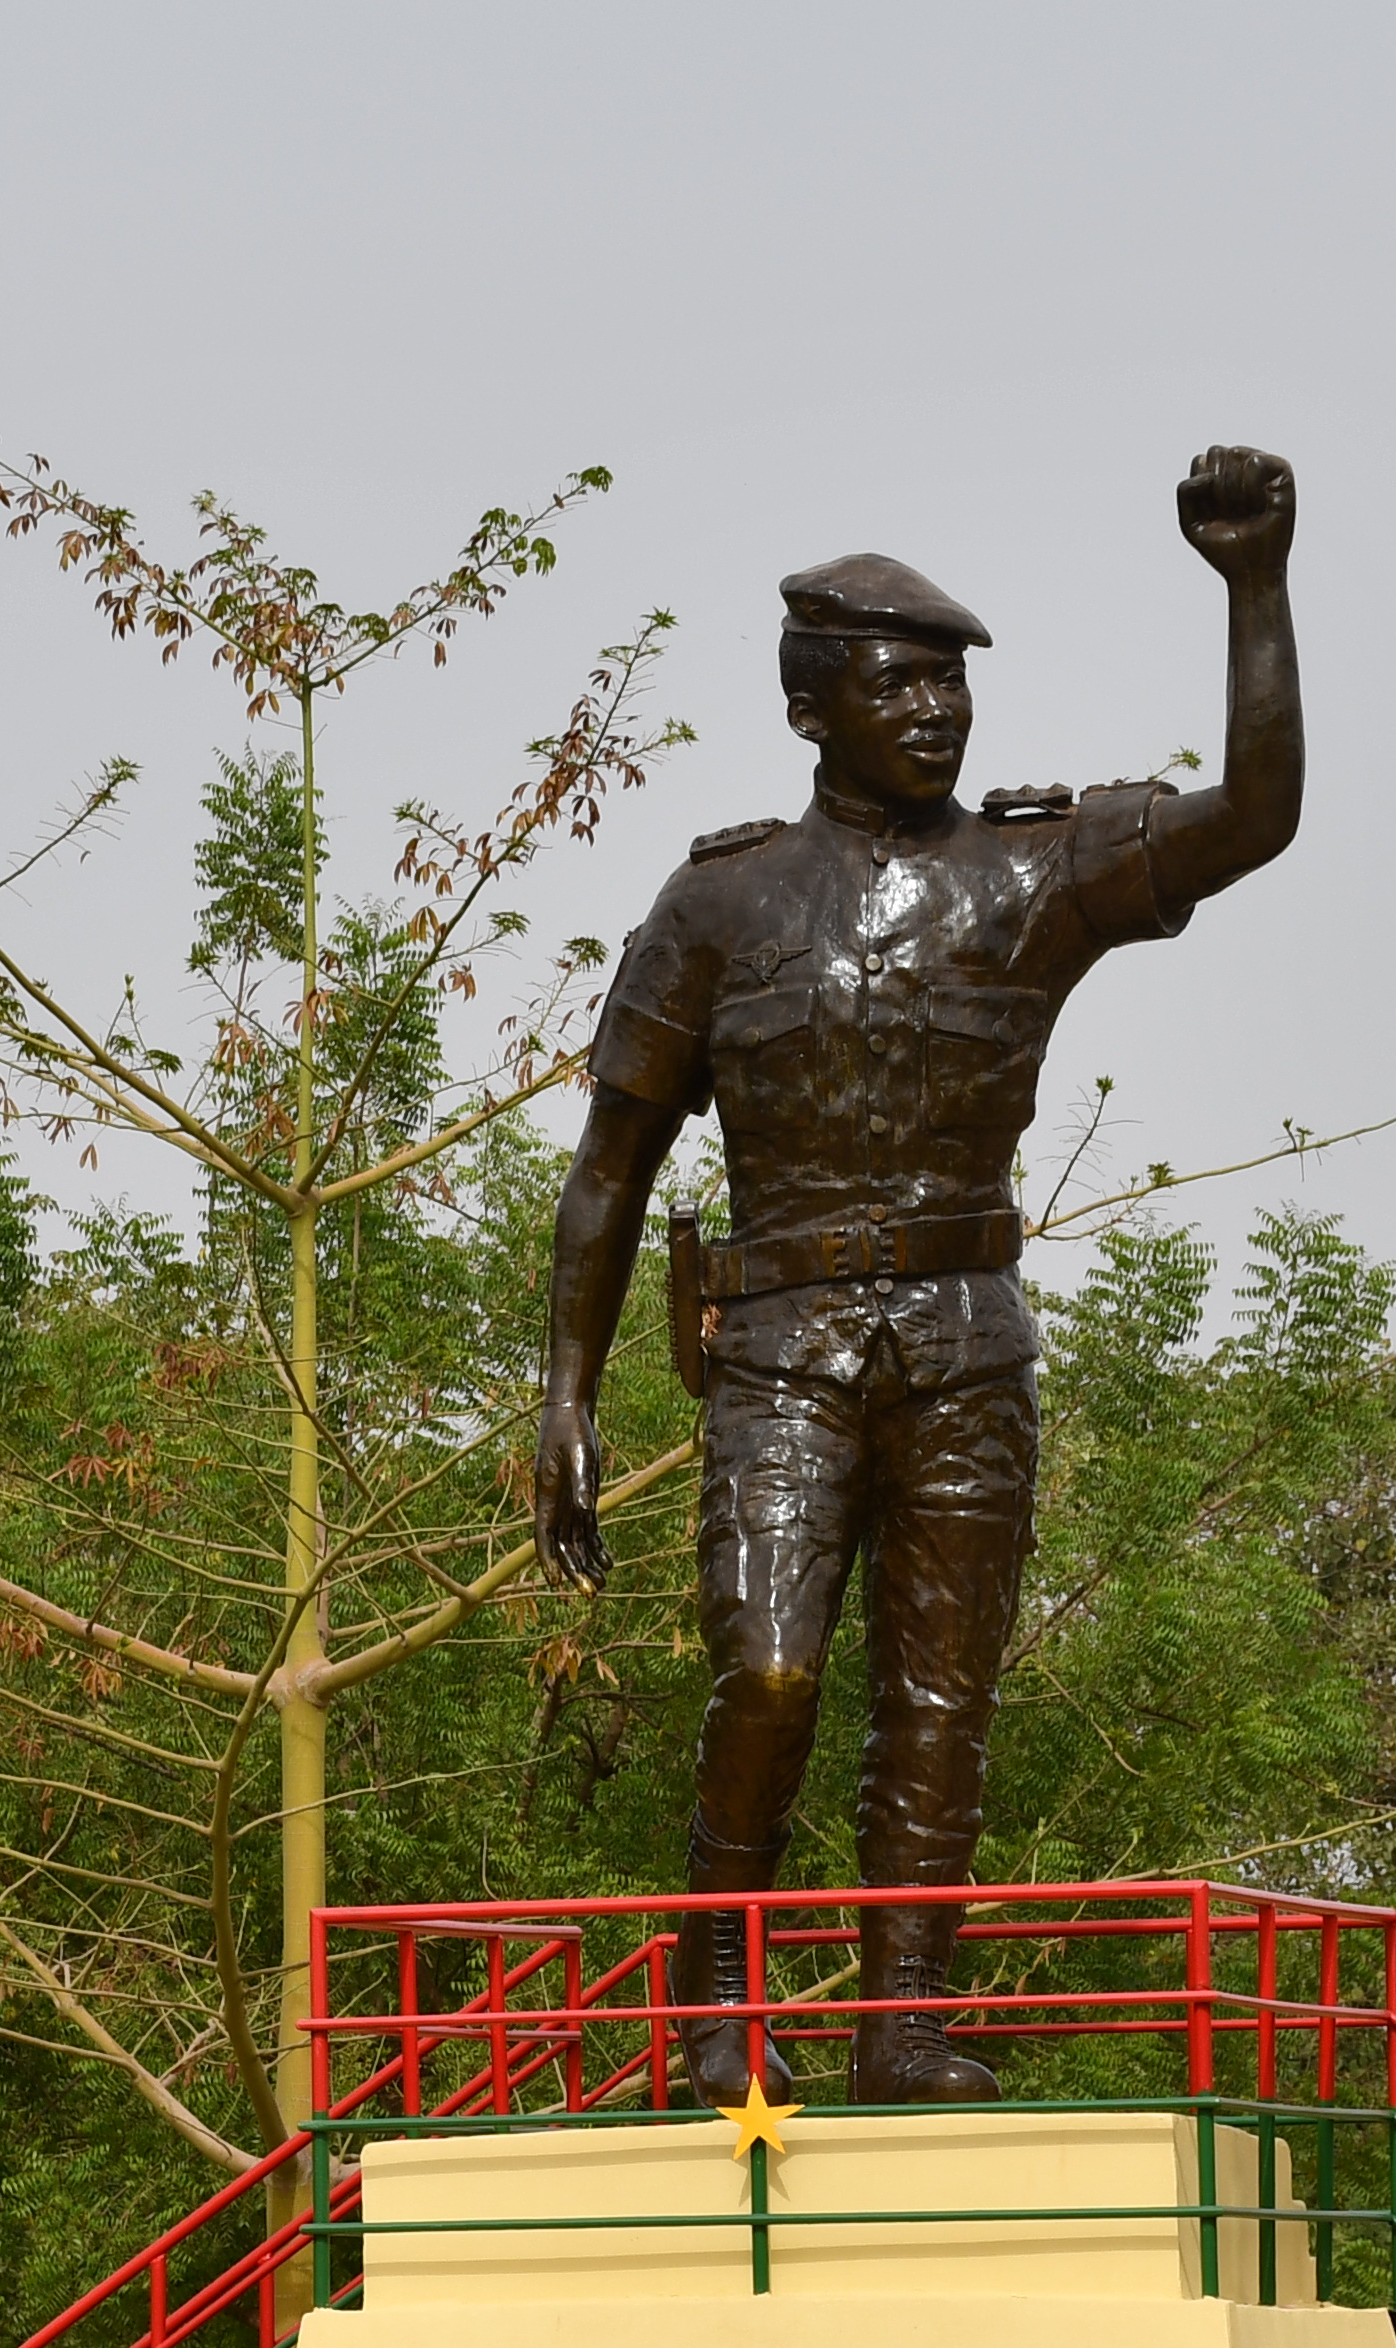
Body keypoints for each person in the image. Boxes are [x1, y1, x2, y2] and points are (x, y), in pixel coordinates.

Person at [528, 454, 1306, 2102]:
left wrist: (1251, 586)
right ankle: (716, 2009)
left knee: (941, 1694)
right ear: (813, 705)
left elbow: (1255, 816)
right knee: (771, 1671)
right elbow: (609, 1167)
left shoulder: (1028, 872)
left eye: (950, 682)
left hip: (967, 1338)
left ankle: (901, 2016)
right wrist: (565, 1394)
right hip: (783, 1345)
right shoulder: (716, 906)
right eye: (898, 682)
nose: (937, 711)